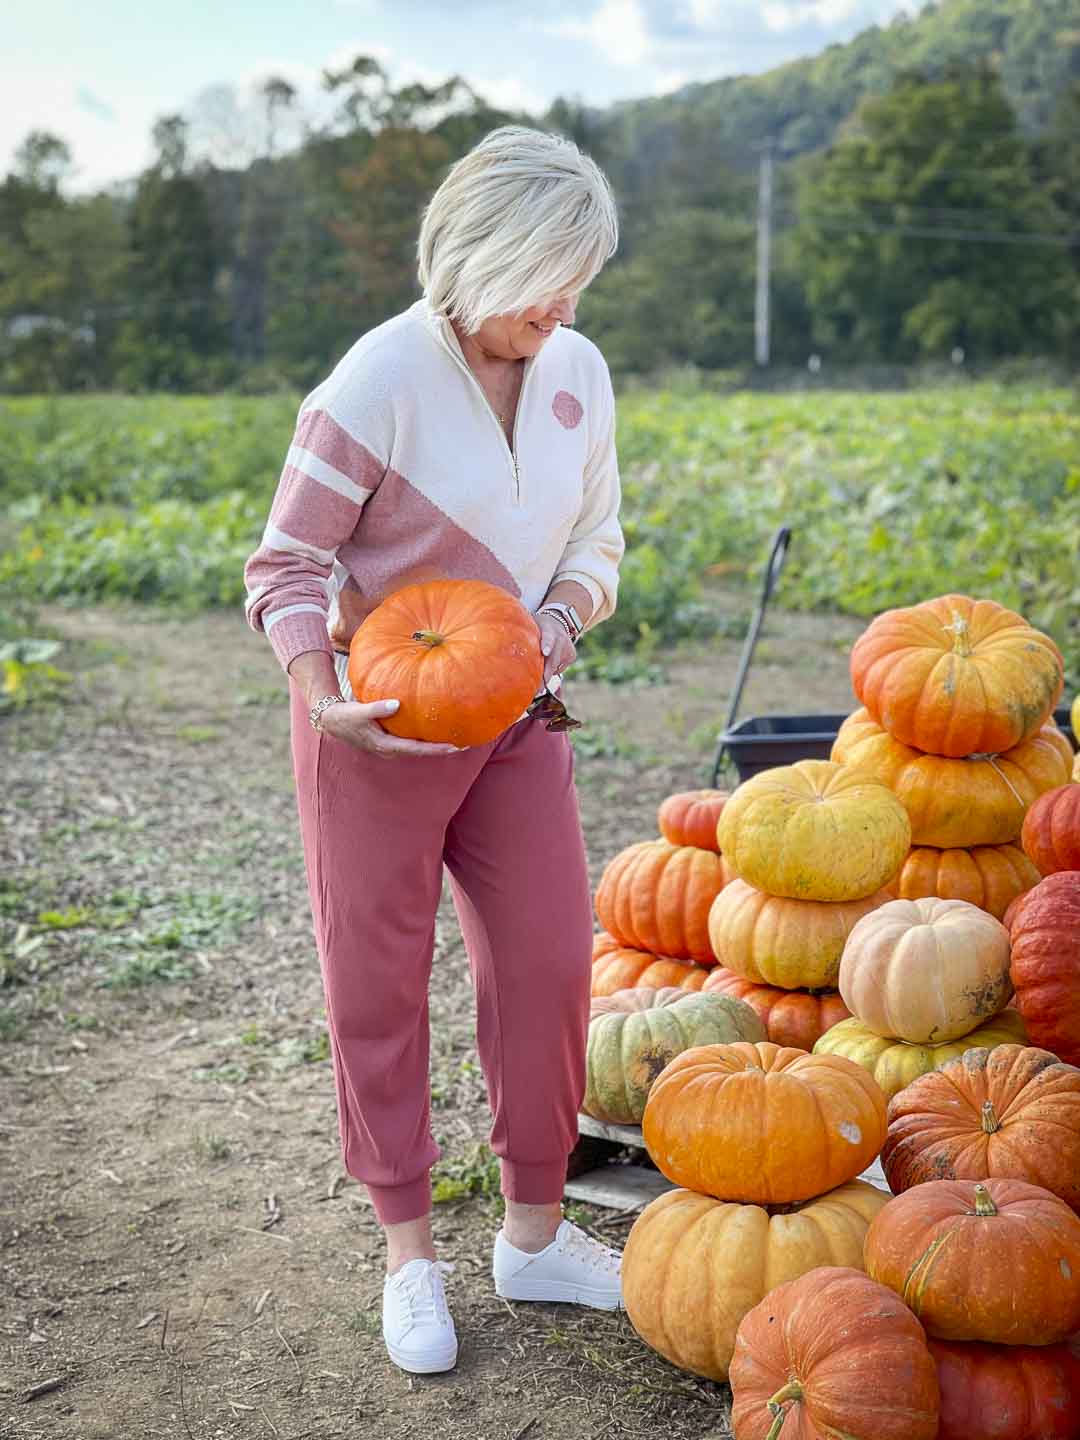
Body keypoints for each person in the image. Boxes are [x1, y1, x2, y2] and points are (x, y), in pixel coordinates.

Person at [243, 125, 625, 1375]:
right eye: (539, 274)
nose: (559, 304)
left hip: (519, 721)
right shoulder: (377, 380)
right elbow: (286, 565)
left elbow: (599, 544)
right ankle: (409, 1254)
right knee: (375, 983)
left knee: (551, 961)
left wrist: (552, 630)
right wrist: (321, 690)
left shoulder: (579, 371)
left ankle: (533, 1233)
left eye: (579, 275)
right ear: (472, 253)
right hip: (379, 730)